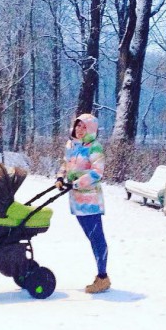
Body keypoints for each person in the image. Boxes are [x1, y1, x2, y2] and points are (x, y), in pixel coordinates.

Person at [56, 113, 110, 294]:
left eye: (83, 127)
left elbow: (97, 173)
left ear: (91, 130)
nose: (79, 130)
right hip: (76, 200)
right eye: (77, 126)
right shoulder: (71, 145)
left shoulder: (95, 148)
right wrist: (60, 177)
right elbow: (65, 163)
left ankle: (102, 277)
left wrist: (77, 183)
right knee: (90, 237)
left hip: (90, 200)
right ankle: (102, 276)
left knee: (96, 238)